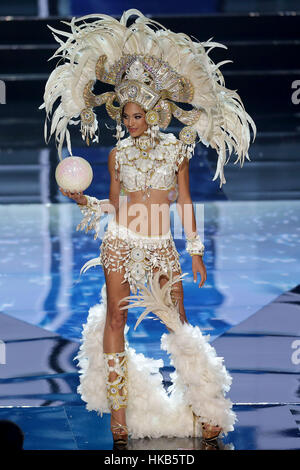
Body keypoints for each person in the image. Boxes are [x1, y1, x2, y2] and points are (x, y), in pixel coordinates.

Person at [40, 9, 256, 449]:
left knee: (177, 321)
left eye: (136, 116)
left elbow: (187, 201)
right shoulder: (117, 156)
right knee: (116, 317)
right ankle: (119, 420)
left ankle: (204, 412)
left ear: (154, 115)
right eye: (125, 116)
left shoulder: (176, 152)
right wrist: (85, 201)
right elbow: (116, 205)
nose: (128, 122)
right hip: (121, 241)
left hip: (160, 242)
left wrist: (194, 250)